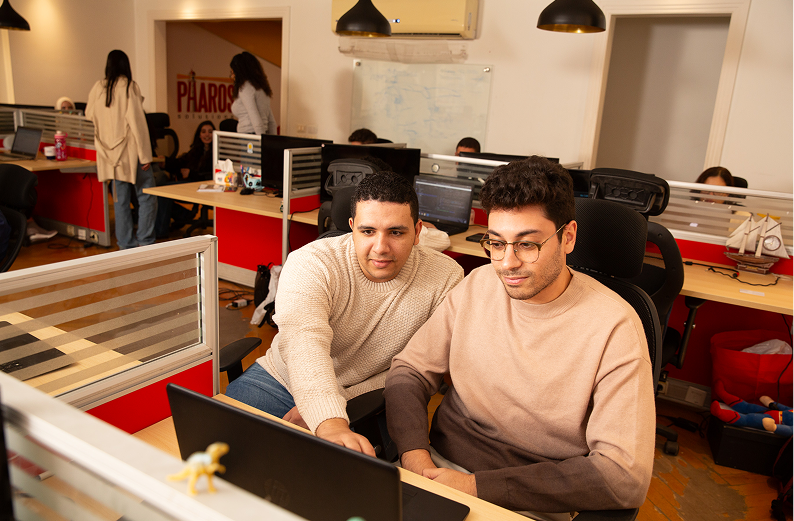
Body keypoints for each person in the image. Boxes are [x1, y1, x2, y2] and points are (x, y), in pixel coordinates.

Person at [384, 157, 655, 518]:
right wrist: (414, 455)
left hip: (530, 501)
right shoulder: (478, 284)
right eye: (496, 243)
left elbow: (624, 476)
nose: (507, 263)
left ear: (568, 237)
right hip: (437, 469)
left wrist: (474, 487)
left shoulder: (614, 326)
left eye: (527, 244)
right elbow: (410, 370)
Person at [225, 171, 464, 455]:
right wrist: (327, 416)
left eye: (396, 232)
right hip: (282, 380)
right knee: (224, 449)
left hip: (371, 394)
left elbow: (425, 365)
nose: (380, 248)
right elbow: (304, 343)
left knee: (344, 476)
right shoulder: (311, 262)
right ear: (352, 227)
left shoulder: (446, 276)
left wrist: (328, 409)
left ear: (418, 231)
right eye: (367, 231)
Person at [86, 50, 155, 250]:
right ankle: (145, 240)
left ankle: (126, 244)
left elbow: (89, 114)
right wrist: (145, 156)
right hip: (130, 153)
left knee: (120, 200)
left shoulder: (98, 87)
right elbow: (137, 123)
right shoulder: (129, 87)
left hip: (108, 155)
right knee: (147, 195)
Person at [154, 120, 215, 238]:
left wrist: (191, 173)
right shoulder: (196, 150)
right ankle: (183, 215)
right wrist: (166, 162)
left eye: (210, 132)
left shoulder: (217, 152)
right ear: (199, 135)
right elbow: (180, 163)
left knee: (163, 192)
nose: (207, 135)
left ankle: (161, 232)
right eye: (203, 132)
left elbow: (211, 175)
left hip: (204, 187)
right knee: (161, 190)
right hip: (191, 184)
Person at [230, 51, 277, 135]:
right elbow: (271, 122)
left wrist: (260, 139)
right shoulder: (261, 88)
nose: (232, 76)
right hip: (258, 134)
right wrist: (270, 140)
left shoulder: (245, 88)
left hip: (250, 135)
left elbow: (254, 116)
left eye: (233, 73)